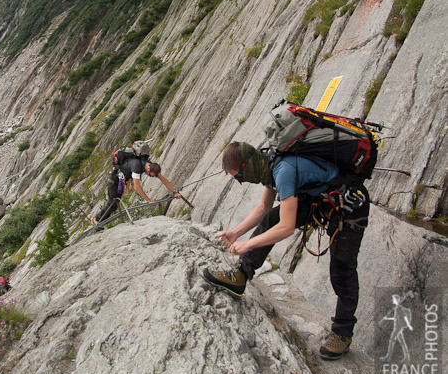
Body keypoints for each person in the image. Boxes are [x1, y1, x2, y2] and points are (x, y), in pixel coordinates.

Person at [202, 142, 370, 361]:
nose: (241, 181)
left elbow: (286, 227)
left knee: (341, 268)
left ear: (247, 166)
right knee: (271, 217)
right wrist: (236, 233)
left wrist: (247, 245)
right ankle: (241, 275)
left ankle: (342, 333)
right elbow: (263, 209)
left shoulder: (283, 171)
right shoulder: (269, 166)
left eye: (239, 176)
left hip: (350, 204)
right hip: (322, 199)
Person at [92, 157, 182, 224]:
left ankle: (99, 222)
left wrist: (174, 192)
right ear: (148, 169)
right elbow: (137, 187)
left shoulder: (149, 164)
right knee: (112, 203)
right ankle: (96, 220)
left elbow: (163, 179)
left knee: (115, 204)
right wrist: (149, 201)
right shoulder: (137, 166)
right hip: (115, 181)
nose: (150, 176)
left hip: (121, 181)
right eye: (150, 175)